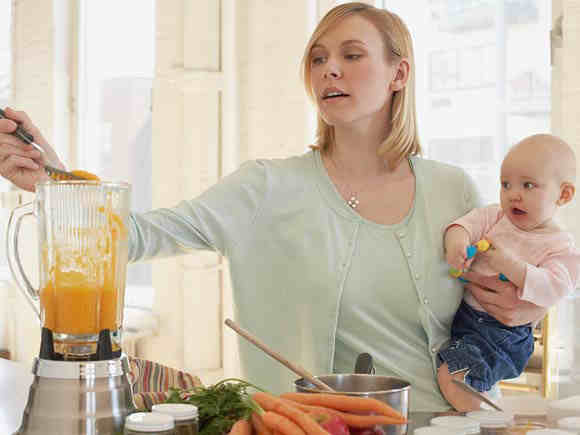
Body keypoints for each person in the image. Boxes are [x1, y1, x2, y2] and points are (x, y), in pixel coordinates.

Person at [0, 2, 548, 412]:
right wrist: (53, 175)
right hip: (305, 426)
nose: (328, 70)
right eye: (317, 59)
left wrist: (527, 301)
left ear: (398, 74)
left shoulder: (454, 191)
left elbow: (500, 304)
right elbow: (137, 236)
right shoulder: (266, 188)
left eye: (351, 56)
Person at [438, 134, 580, 411]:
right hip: (465, 318)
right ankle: (482, 409)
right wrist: (456, 243)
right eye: (506, 184)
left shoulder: (559, 245)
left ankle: (486, 420)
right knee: (453, 372)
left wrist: (511, 267)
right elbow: (463, 225)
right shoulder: (495, 216)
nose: (514, 194)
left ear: (563, 195)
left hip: (502, 333)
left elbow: (556, 288)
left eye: (528, 185)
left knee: (454, 377)